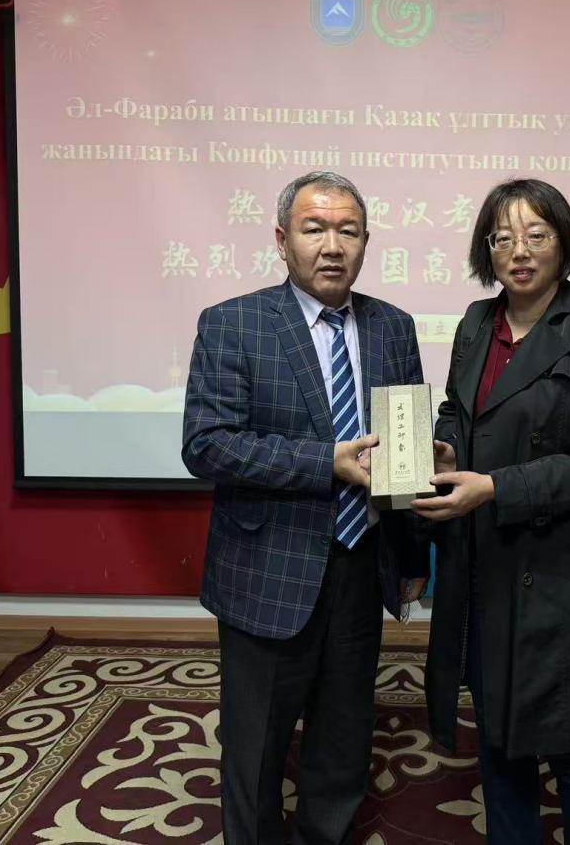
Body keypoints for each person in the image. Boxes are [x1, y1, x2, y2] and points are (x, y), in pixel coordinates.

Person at [183, 170, 429, 845]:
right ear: (281, 238)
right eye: (314, 228)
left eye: (348, 231)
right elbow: (207, 444)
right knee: (256, 747)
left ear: (366, 241)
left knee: (344, 736)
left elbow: (402, 455)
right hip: (268, 568)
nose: (332, 245)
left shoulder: (393, 327)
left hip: (361, 562)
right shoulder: (233, 323)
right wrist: (325, 463)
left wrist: (413, 556)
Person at [411, 178, 570, 845]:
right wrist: (446, 447)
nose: (519, 251)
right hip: (485, 565)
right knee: (499, 740)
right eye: (503, 237)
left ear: (563, 244)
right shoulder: (476, 323)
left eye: (536, 235)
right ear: (487, 249)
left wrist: (494, 488)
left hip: (561, 573)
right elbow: (456, 410)